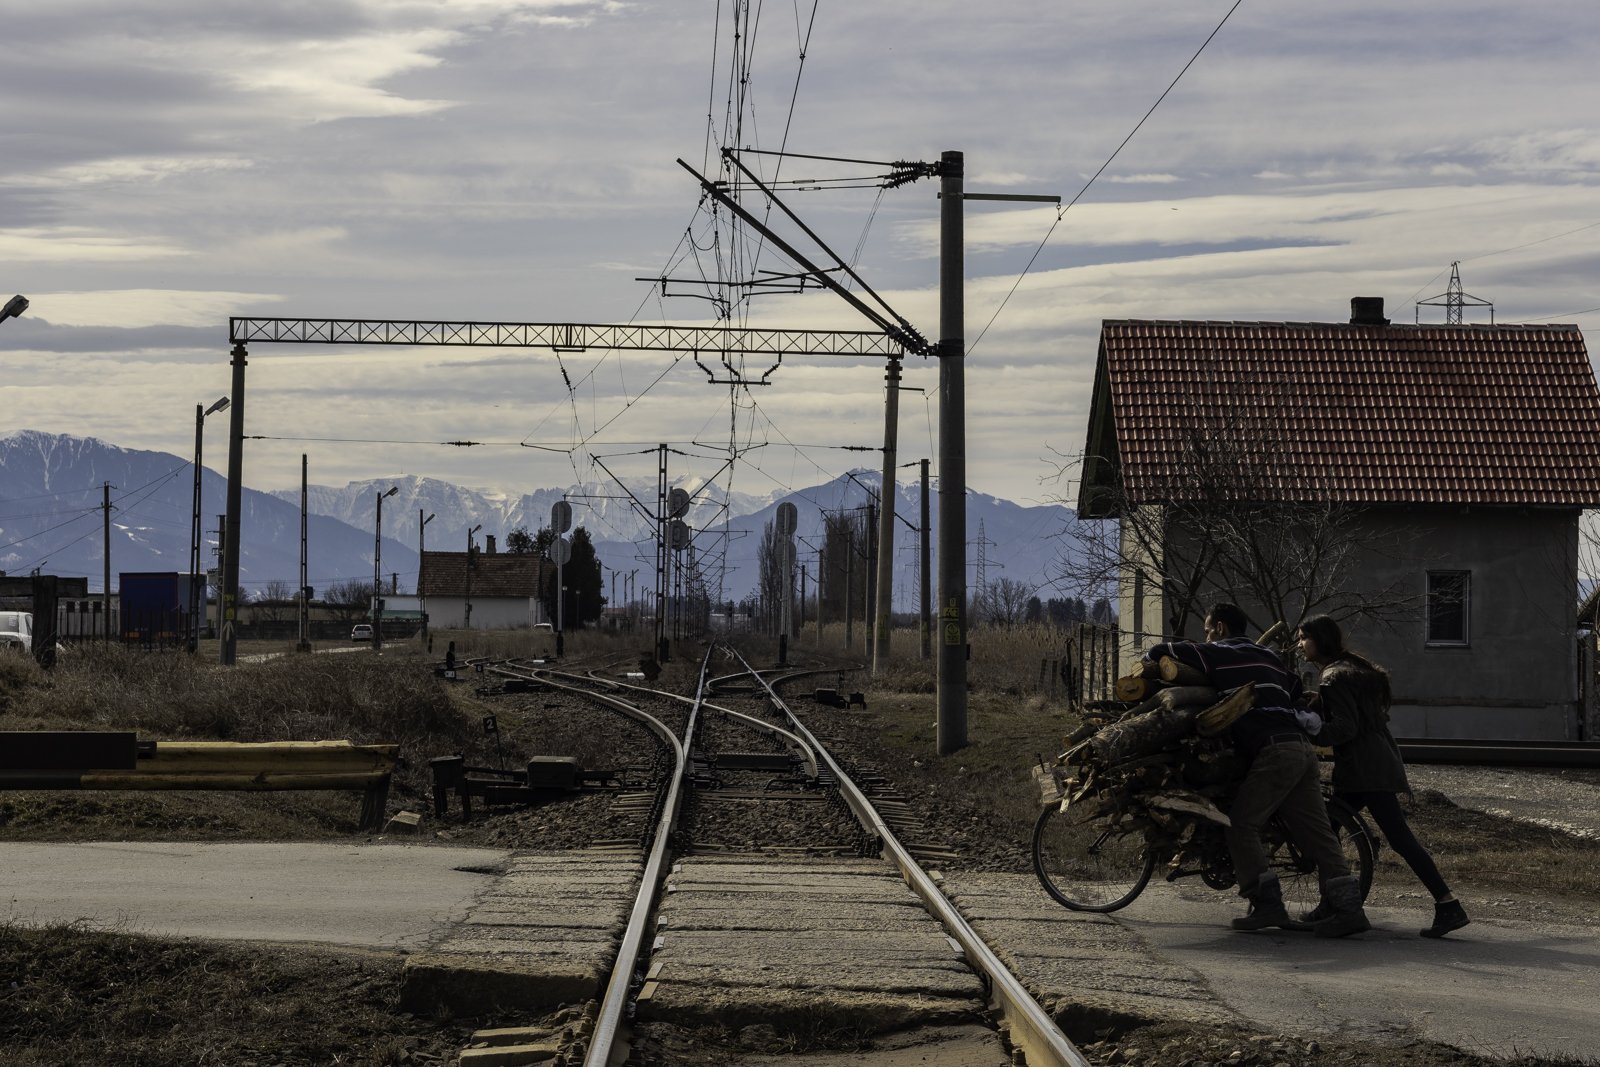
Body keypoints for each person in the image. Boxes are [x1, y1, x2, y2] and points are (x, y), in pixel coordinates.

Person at [1146, 602, 1370, 937]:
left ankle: (1266, 904)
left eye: (1207, 630)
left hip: (1274, 750)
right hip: (1301, 749)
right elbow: (1294, 689)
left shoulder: (1217, 652)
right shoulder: (1270, 657)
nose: (1205, 636)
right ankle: (1349, 909)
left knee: (1240, 824)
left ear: (1220, 628)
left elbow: (1158, 651)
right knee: (1317, 833)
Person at [1297, 615, 1470, 938]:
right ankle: (1331, 903)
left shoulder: (1333, 676)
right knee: (1330, 830)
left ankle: (1448, 904)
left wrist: (1311, 729)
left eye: (1303, 638)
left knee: (1352, 834)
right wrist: (1320, 704)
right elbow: (1358, 714)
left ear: (1319, 640)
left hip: (1364, 768)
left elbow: (1346, 727)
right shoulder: (1350, 667)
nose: (1299, 645)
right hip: (1375, 761)